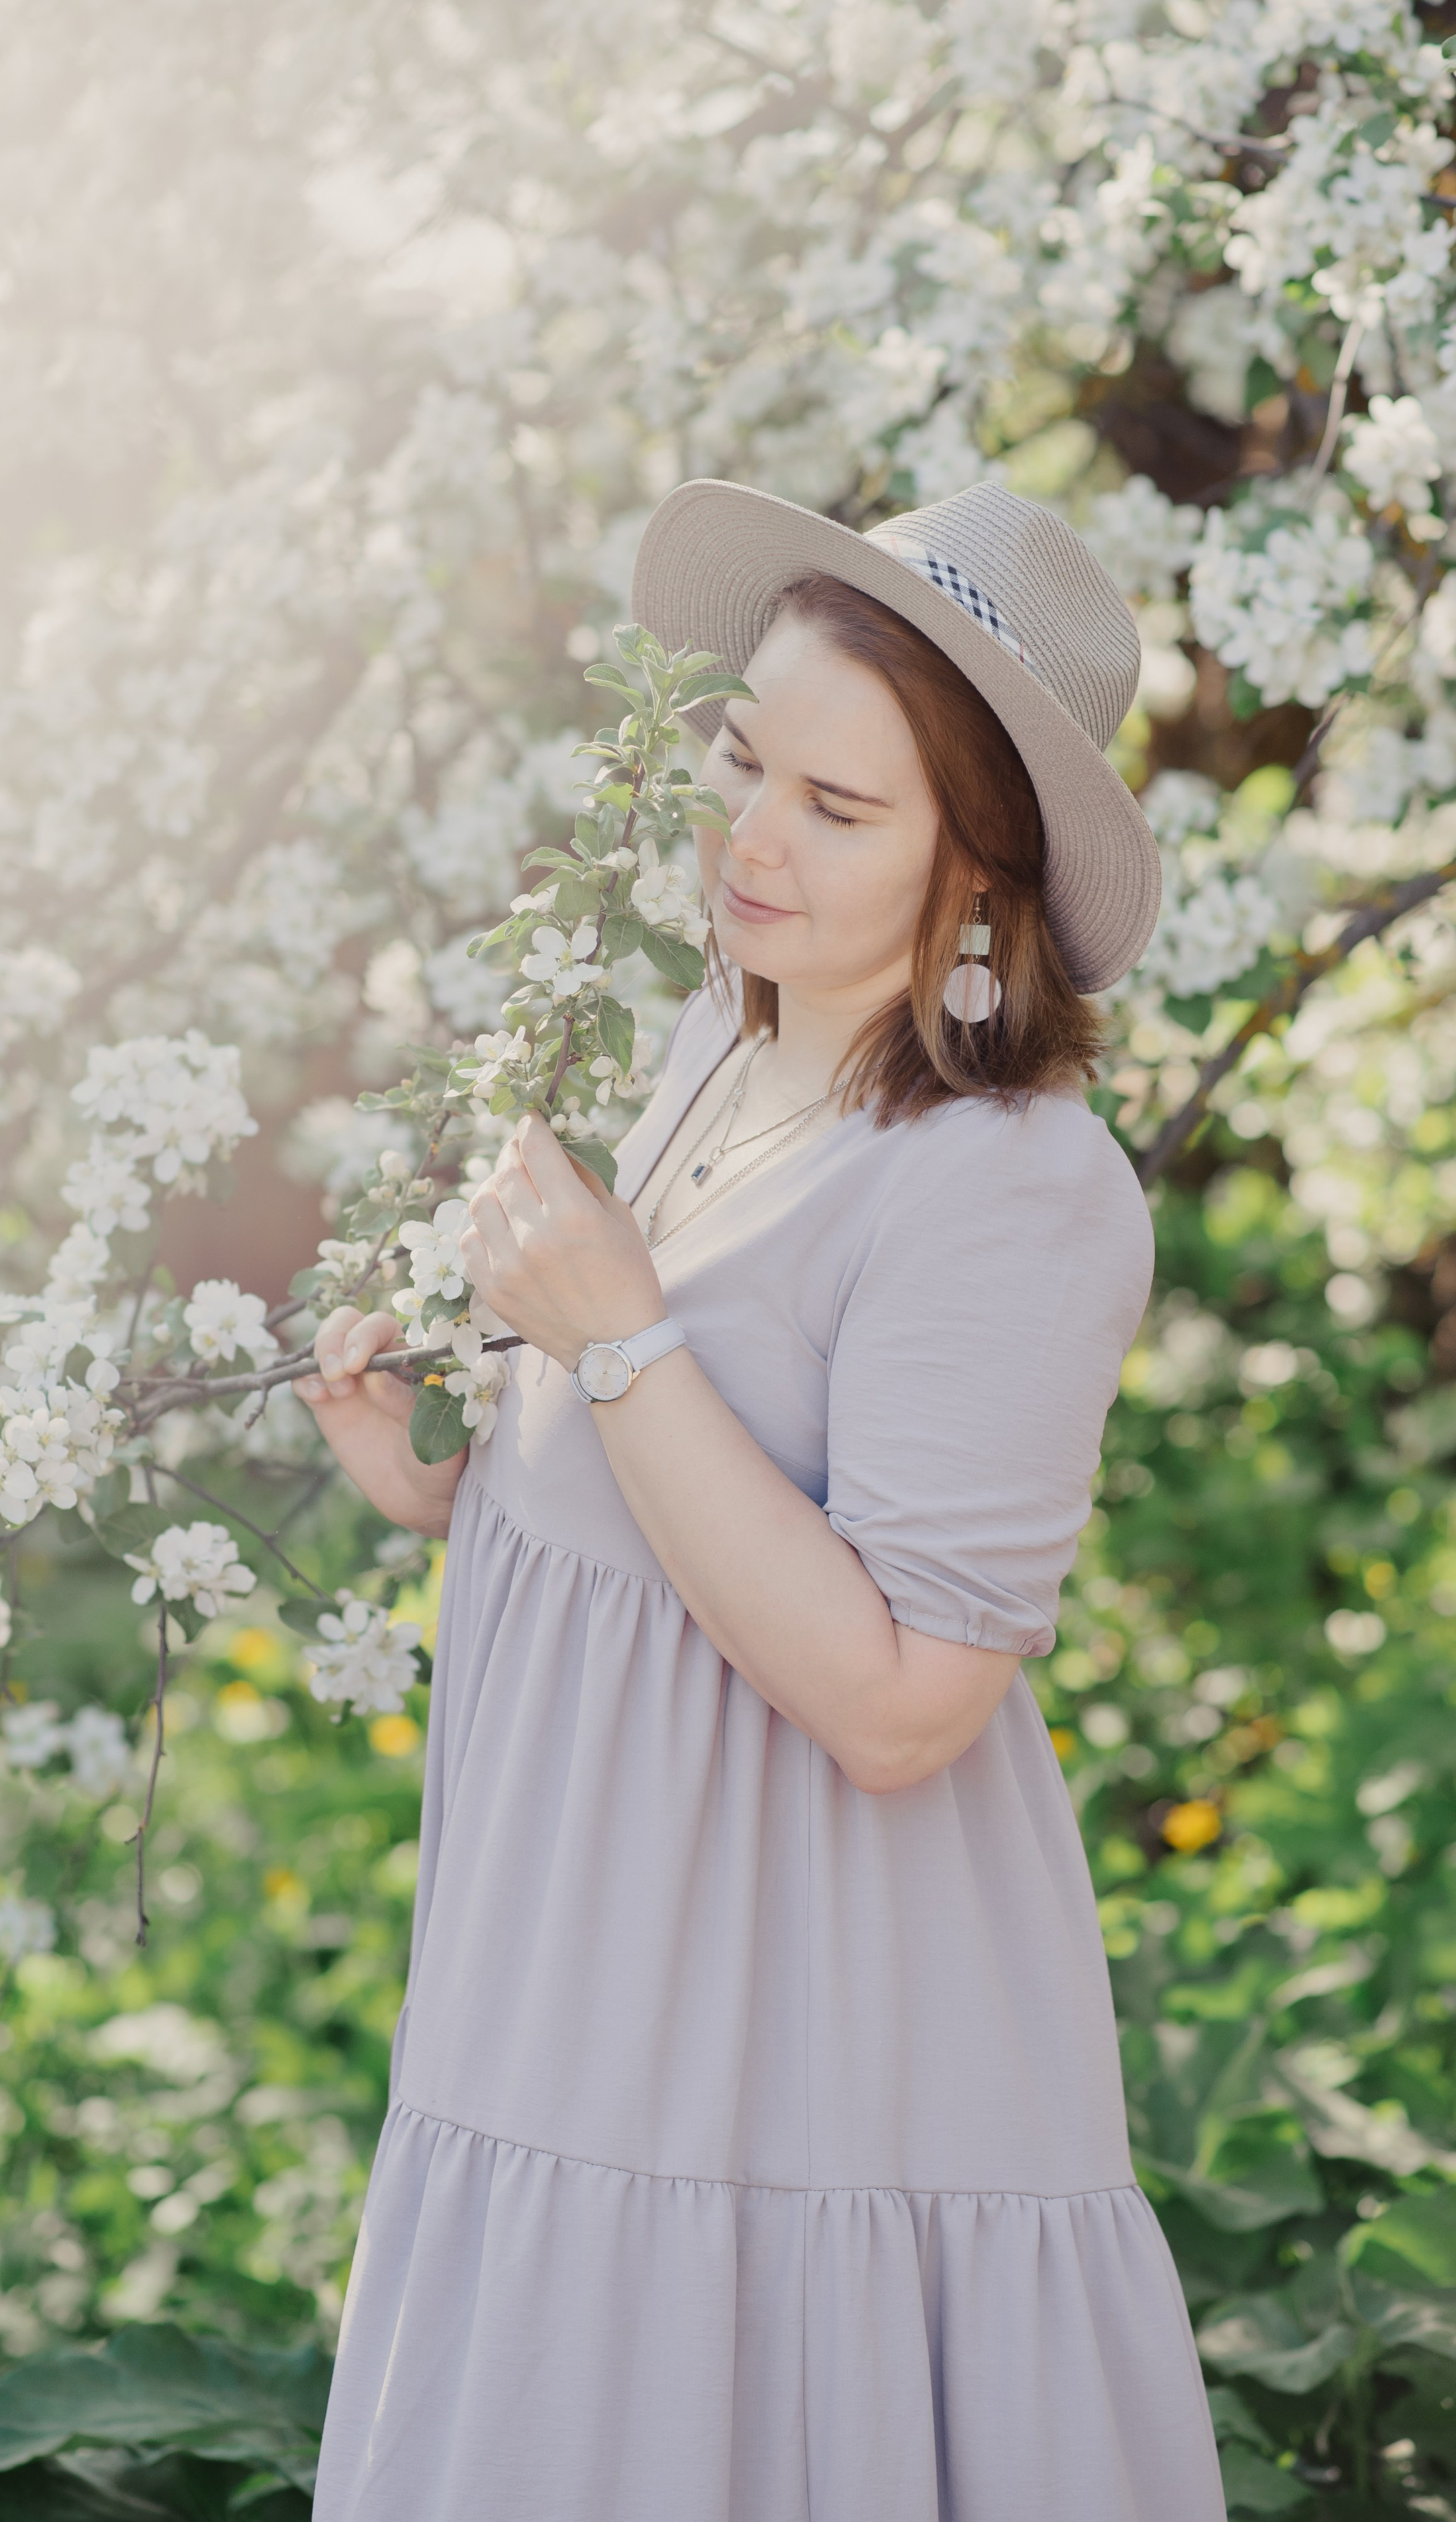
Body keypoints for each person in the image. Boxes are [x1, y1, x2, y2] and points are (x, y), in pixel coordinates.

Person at [301, 479, 1225, 2520]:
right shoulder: (735, 1038)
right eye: (742, 758)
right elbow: (694, 1538)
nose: (749, 837)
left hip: (774, 2045)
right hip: (565, 1992)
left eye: (838, 804)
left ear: (981, 873)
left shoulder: (1013, 1187)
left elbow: (904, 1701)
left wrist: (615, 1335)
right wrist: (453, 1489)